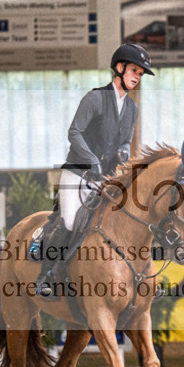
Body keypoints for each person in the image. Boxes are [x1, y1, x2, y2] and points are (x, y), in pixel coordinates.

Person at [35, 43, 155, 297]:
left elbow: (126, 141)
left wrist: (123, 152)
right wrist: (91, 160)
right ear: (119, 67)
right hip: (77, 173)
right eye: (134, 70)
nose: (137, 77)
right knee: (70, 222)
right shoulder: (95, 98)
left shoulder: (132, 109)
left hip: (104, 179)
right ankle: (45, 274)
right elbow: (74, 132)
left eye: (140, 74)